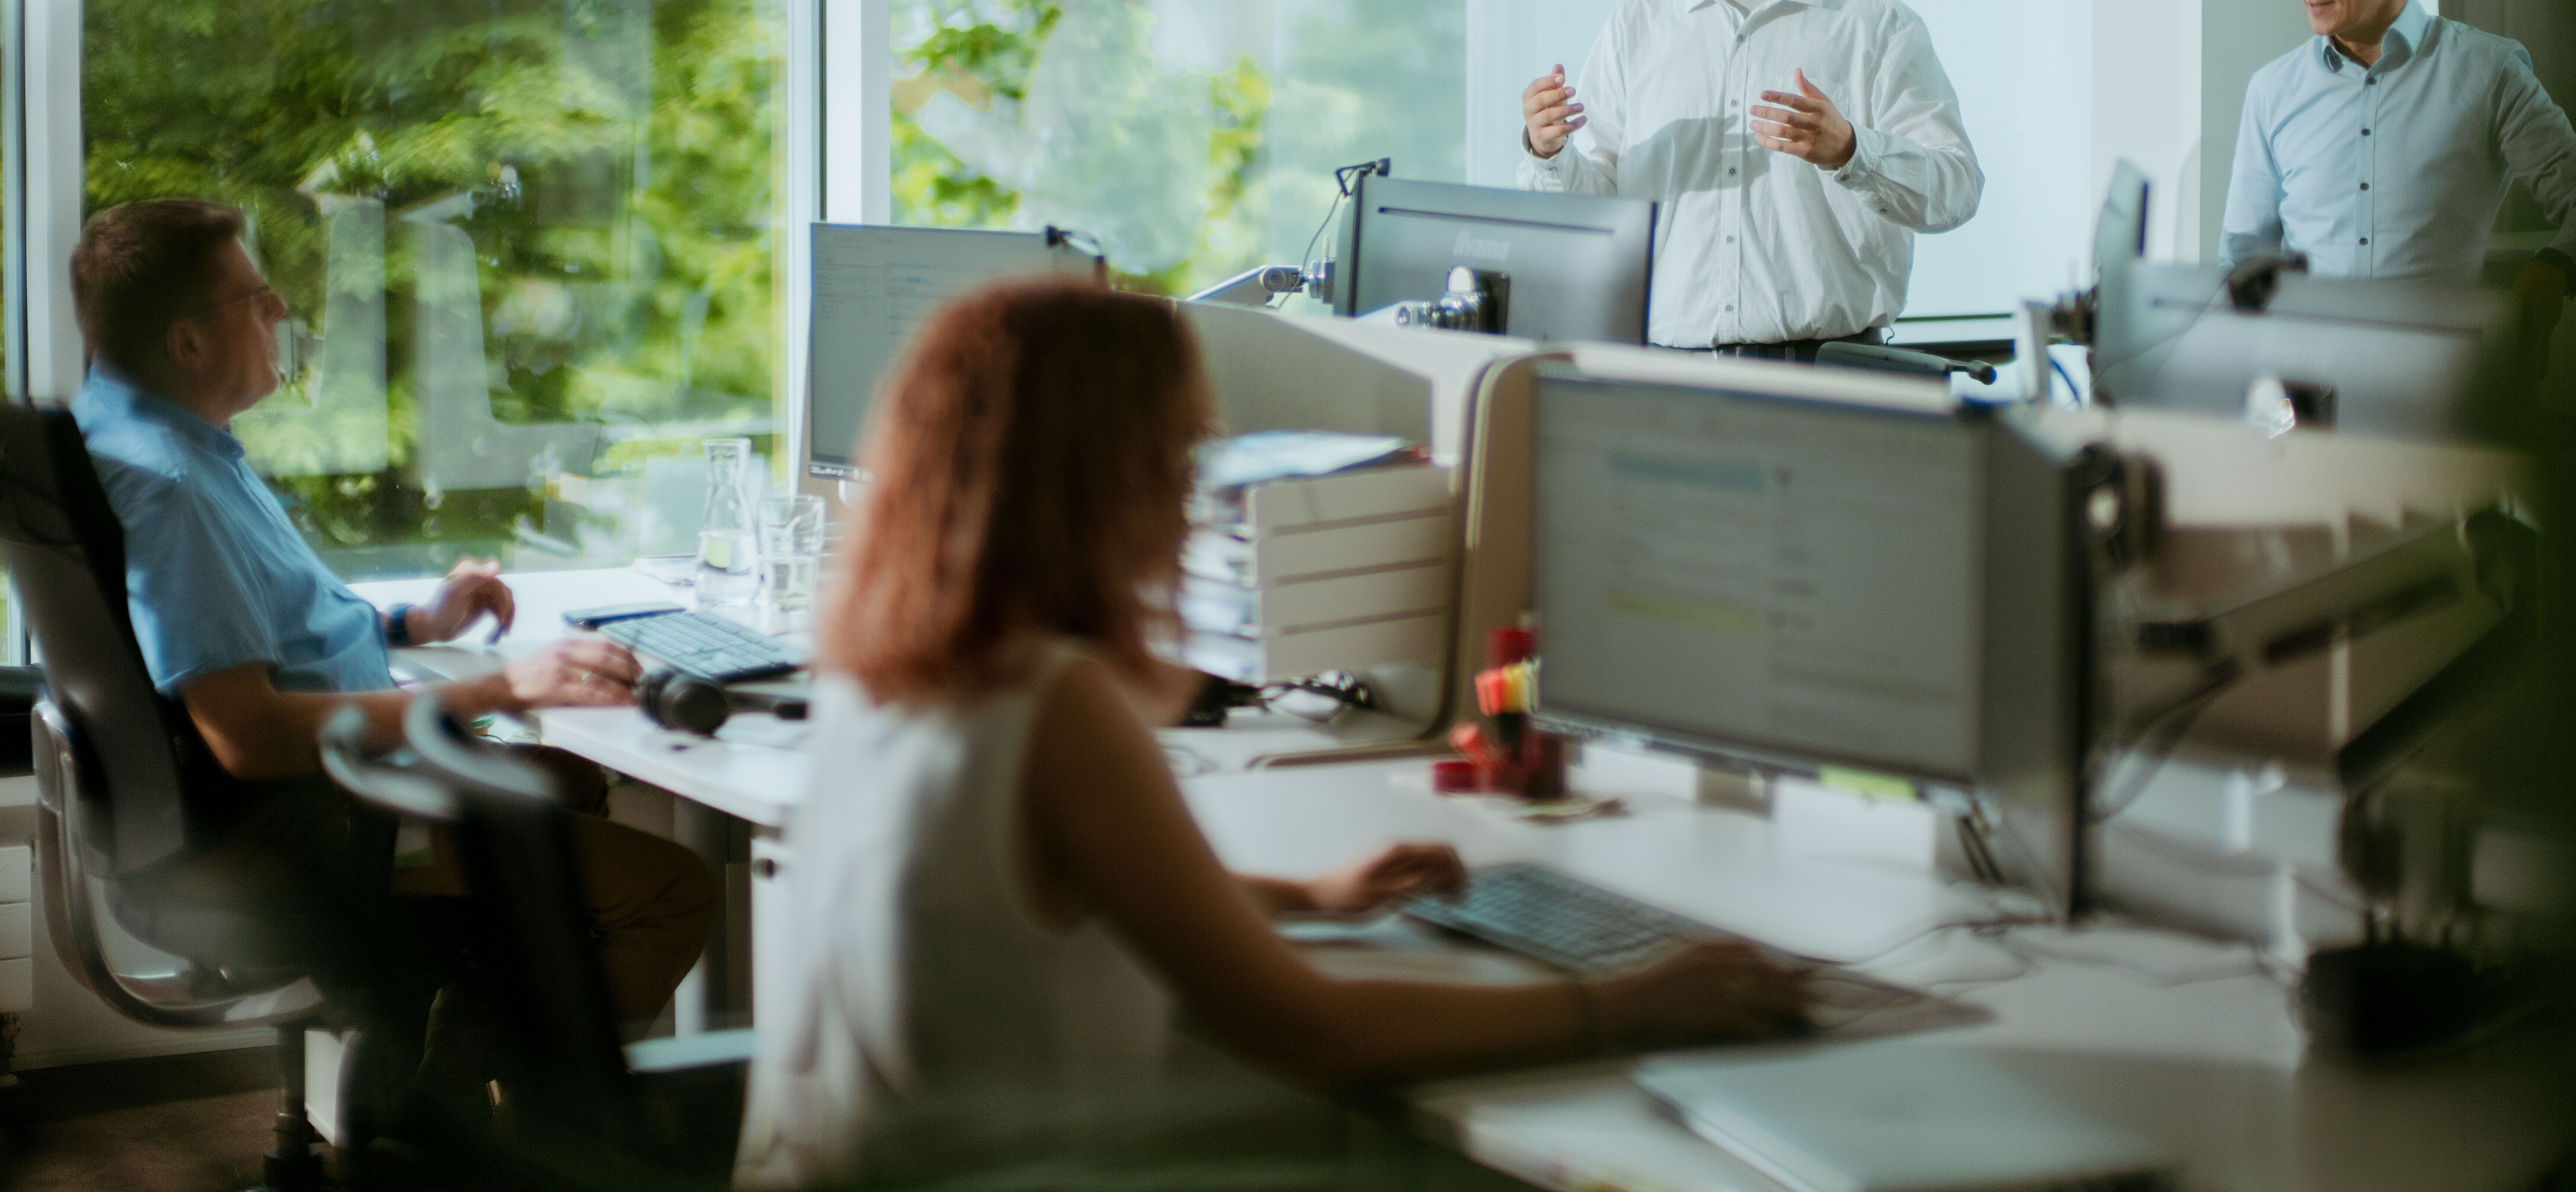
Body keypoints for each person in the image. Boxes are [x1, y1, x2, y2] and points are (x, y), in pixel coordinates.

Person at [737, 279, 1808, 1188]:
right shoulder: (1056, 700)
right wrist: (1625, 1001)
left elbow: (1024, 904)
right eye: (1180, 450)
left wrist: (1305, 896)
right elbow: (1307, 1029)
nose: (1194, 487)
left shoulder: (888, 663)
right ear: (1104, 478)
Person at [66, 199, 717, 1029]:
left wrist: (416, 626)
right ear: (187, 341)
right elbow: (248, 734)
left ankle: (456, 1064)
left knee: (571, 781)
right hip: (312, 822)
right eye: (253, 297)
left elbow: (231, 636)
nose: (281, 311)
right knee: (669, 890)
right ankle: (513, 1124)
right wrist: (503, 690)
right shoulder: (175, 490)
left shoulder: (140, 436)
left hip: (298, 803)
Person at [1518, 0, 1983, 356]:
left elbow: (1956, 193)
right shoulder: (1635, 28)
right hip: (1667, 382)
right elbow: (1599, 214)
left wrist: (1850, 151)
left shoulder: (1876, 28)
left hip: (1831, 381)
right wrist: (1548, 153)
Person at [2222, 0, 2576, 355]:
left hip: (2434, 388)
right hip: (2301, 388)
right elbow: (2243, 256)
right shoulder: (2271, 90)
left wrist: (2552, 272)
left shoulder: (2487, 71)